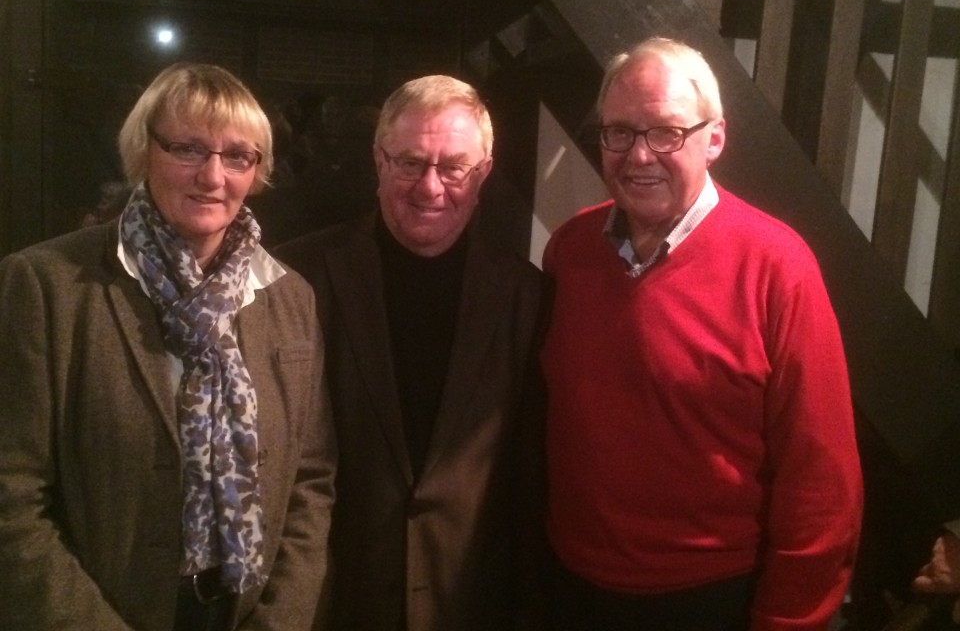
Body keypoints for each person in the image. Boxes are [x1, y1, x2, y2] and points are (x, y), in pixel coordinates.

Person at [539, 37, 863, 630]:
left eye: (665, 133)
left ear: (714, 138)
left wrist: (790, 621)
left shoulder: (778, 267)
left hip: (712, 602)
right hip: (572, 589)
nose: (639, 156)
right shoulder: (570, 249)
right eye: (619, 132)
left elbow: (822, 480)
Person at [0, 62, 336, 631]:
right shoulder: (45, 284)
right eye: (187, 148)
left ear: (257, 171)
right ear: (143, 152)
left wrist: (279, 622)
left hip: (240, 613)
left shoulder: (288, 296)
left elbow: (310, 478)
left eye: (238, 156)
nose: (213, 175)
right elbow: (12, 496)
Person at [275, 74, 544, 631]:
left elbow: (531, 473)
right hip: (331, 600)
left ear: (484, 173)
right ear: (378, 160)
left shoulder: (528, 295)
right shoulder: (295, 279)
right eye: (411, 163)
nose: (430, 187)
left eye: (453, 167)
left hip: (472, 603)